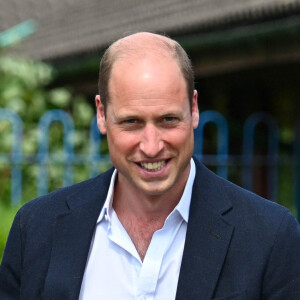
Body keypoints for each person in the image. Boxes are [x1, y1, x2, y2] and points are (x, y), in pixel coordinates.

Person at [0, 32, 300, 300]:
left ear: (193, 108)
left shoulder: (270, 236)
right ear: (102, 115)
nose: (152, 145)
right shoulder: (36, 228)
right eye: (132, 122)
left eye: (168, 120)